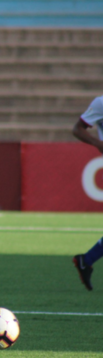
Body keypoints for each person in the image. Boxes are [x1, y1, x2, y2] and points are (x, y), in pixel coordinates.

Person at [72, 95, 103, 291]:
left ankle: (86, 260)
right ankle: (86, 259)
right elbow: (78, 129)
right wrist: (98, 144)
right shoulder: (101, 103)